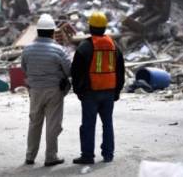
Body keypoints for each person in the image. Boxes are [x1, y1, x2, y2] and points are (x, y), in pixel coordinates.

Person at [71, 11, 125, 164]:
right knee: (107, 124)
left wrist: (78, 90)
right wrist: (117, 91)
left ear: (90, 27)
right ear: (104, 27)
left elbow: (76, 71)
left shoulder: (85, 46)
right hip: (109, 92)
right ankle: (108, 155)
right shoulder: (114, 46)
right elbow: (121, 70)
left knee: (88, 124)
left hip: (90, 93)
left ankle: (87, 156)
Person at [21, 13, 71, 167]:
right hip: (54, 91)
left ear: (38, 31)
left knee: (34, 123)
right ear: (52, 32)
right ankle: (51, 157)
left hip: (35, 91)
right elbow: (69, 71)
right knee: (52, 125)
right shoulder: (59, 50)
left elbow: (24, 68)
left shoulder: (27, 49)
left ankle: (30, 156)